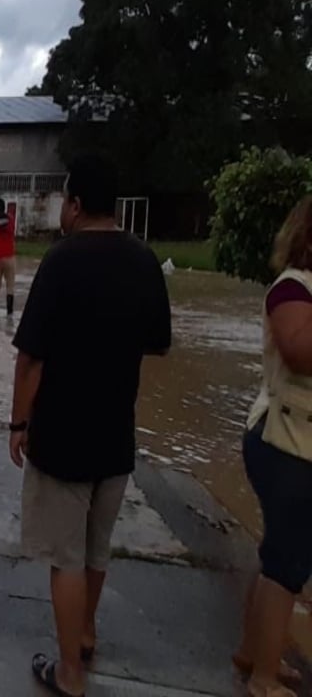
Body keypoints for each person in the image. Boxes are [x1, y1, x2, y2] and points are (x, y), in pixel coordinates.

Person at [8, 154, 171, 697]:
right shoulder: (145, 262)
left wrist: (17, 424)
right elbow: (157, 344)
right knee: (98, 550)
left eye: (64, 201)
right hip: (116, 436)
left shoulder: (61, 261)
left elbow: (29, 358)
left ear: (76, 205)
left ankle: (69, 673)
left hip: (63, 437)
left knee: (67, 559)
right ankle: (86, 634)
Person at [234, 196, 312, 697]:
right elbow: (300, 353)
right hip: (283, 442)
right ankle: (263, 678)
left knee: (278, 556)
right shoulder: (291, 289)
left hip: (296, 443)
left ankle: (253, 651)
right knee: (287, 560)